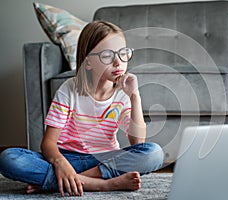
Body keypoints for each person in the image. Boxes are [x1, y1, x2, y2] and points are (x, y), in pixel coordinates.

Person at [0, 21, 164, 197]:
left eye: (123, 53)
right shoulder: (69, 89)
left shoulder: (123, 93)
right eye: (108, 55)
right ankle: (104, 185)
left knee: (154, 153)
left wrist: (135, 96)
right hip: (66, 158)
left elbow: (138, 144)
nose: (118, 62)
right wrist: (62, 165)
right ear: (88, 62)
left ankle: (62, 182)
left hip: (104, 160)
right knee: (9, 158)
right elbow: (48, 143)